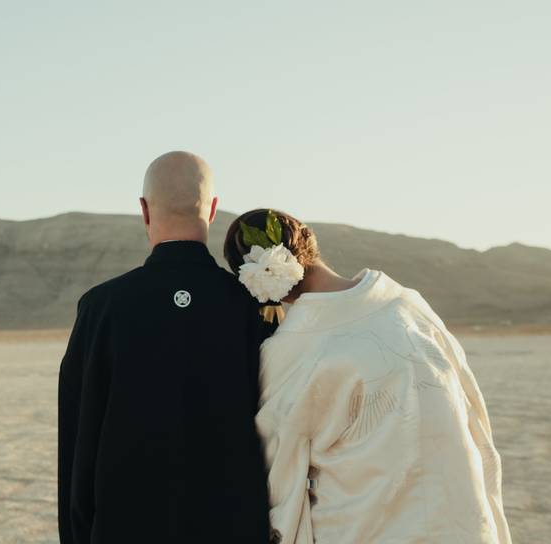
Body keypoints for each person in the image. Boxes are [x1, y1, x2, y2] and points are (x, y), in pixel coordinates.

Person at [223, 208, 512, 544]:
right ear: (310, 242)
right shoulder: (409, 304)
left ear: (255, 281)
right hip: (460, 518)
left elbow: (279, 468)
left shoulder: (292, 348)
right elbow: (470, 406)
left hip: (363, 526)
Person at [58, 152, 272, 544]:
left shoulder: (100, 308)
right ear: (212, 209)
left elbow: (78, 444)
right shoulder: (254, 306)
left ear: (143, 209)